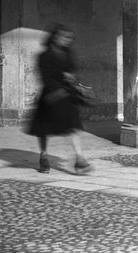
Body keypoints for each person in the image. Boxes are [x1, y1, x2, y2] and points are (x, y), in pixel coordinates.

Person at [28, 26, 92, 174]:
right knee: (43, 129)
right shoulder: (44, 56)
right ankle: (43, 156)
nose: (66, 40)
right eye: (63, 37)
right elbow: (45, 77)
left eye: (69, 38)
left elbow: (73, 70)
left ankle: (80, 159)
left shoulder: (68, 54)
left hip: (67, 96)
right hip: (50, 97)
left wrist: (74, 80)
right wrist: (59, 85)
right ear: (55, 37)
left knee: (72, 126)